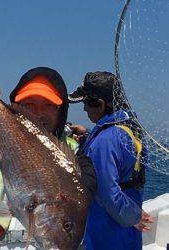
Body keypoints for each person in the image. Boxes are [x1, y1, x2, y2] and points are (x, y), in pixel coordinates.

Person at [0, 67, 80, 249]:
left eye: (48, 105)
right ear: (15, 108)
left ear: (61, 111)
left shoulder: (79, 156)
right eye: (28, 104)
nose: (38, 113)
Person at [68, 71, 154, 250]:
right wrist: (87, 138)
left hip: (107, 231)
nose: (84, 109)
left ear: (99, 105)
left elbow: (108, 193)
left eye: (86, 103)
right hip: (125, 229)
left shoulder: (104, 140)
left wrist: (134, 217)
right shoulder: (128, 128)